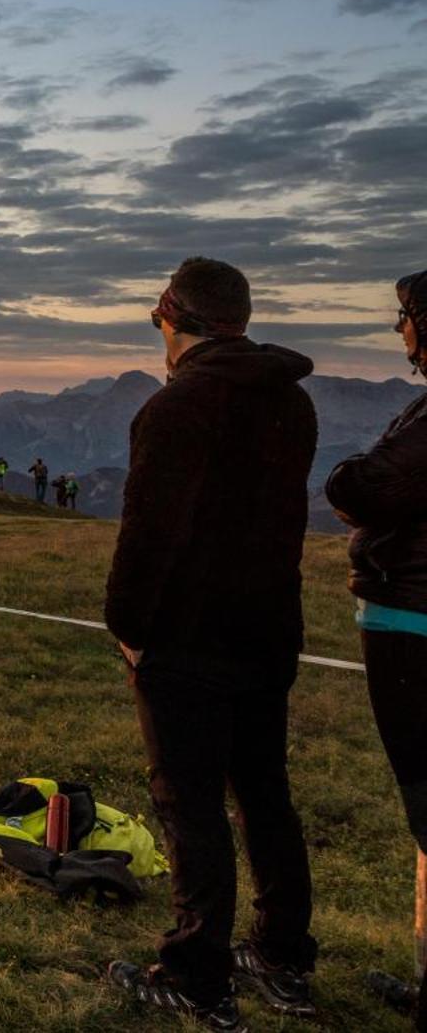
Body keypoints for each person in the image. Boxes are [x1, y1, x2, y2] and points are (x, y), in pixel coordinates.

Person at [103, 258, 320, 1027]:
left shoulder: (174, 409)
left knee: (188, 803)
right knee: (266, 797)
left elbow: (147, 538)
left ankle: (198, 973)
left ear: (173, 317)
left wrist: (127, 629)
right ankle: (284, 955)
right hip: (268, 635)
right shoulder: (292, 404)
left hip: (187, 645)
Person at [326, 269, 427, 1030]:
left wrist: (344, 474)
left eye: (404, 318)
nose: (398, 331)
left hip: (412, 621)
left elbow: (364, 485)